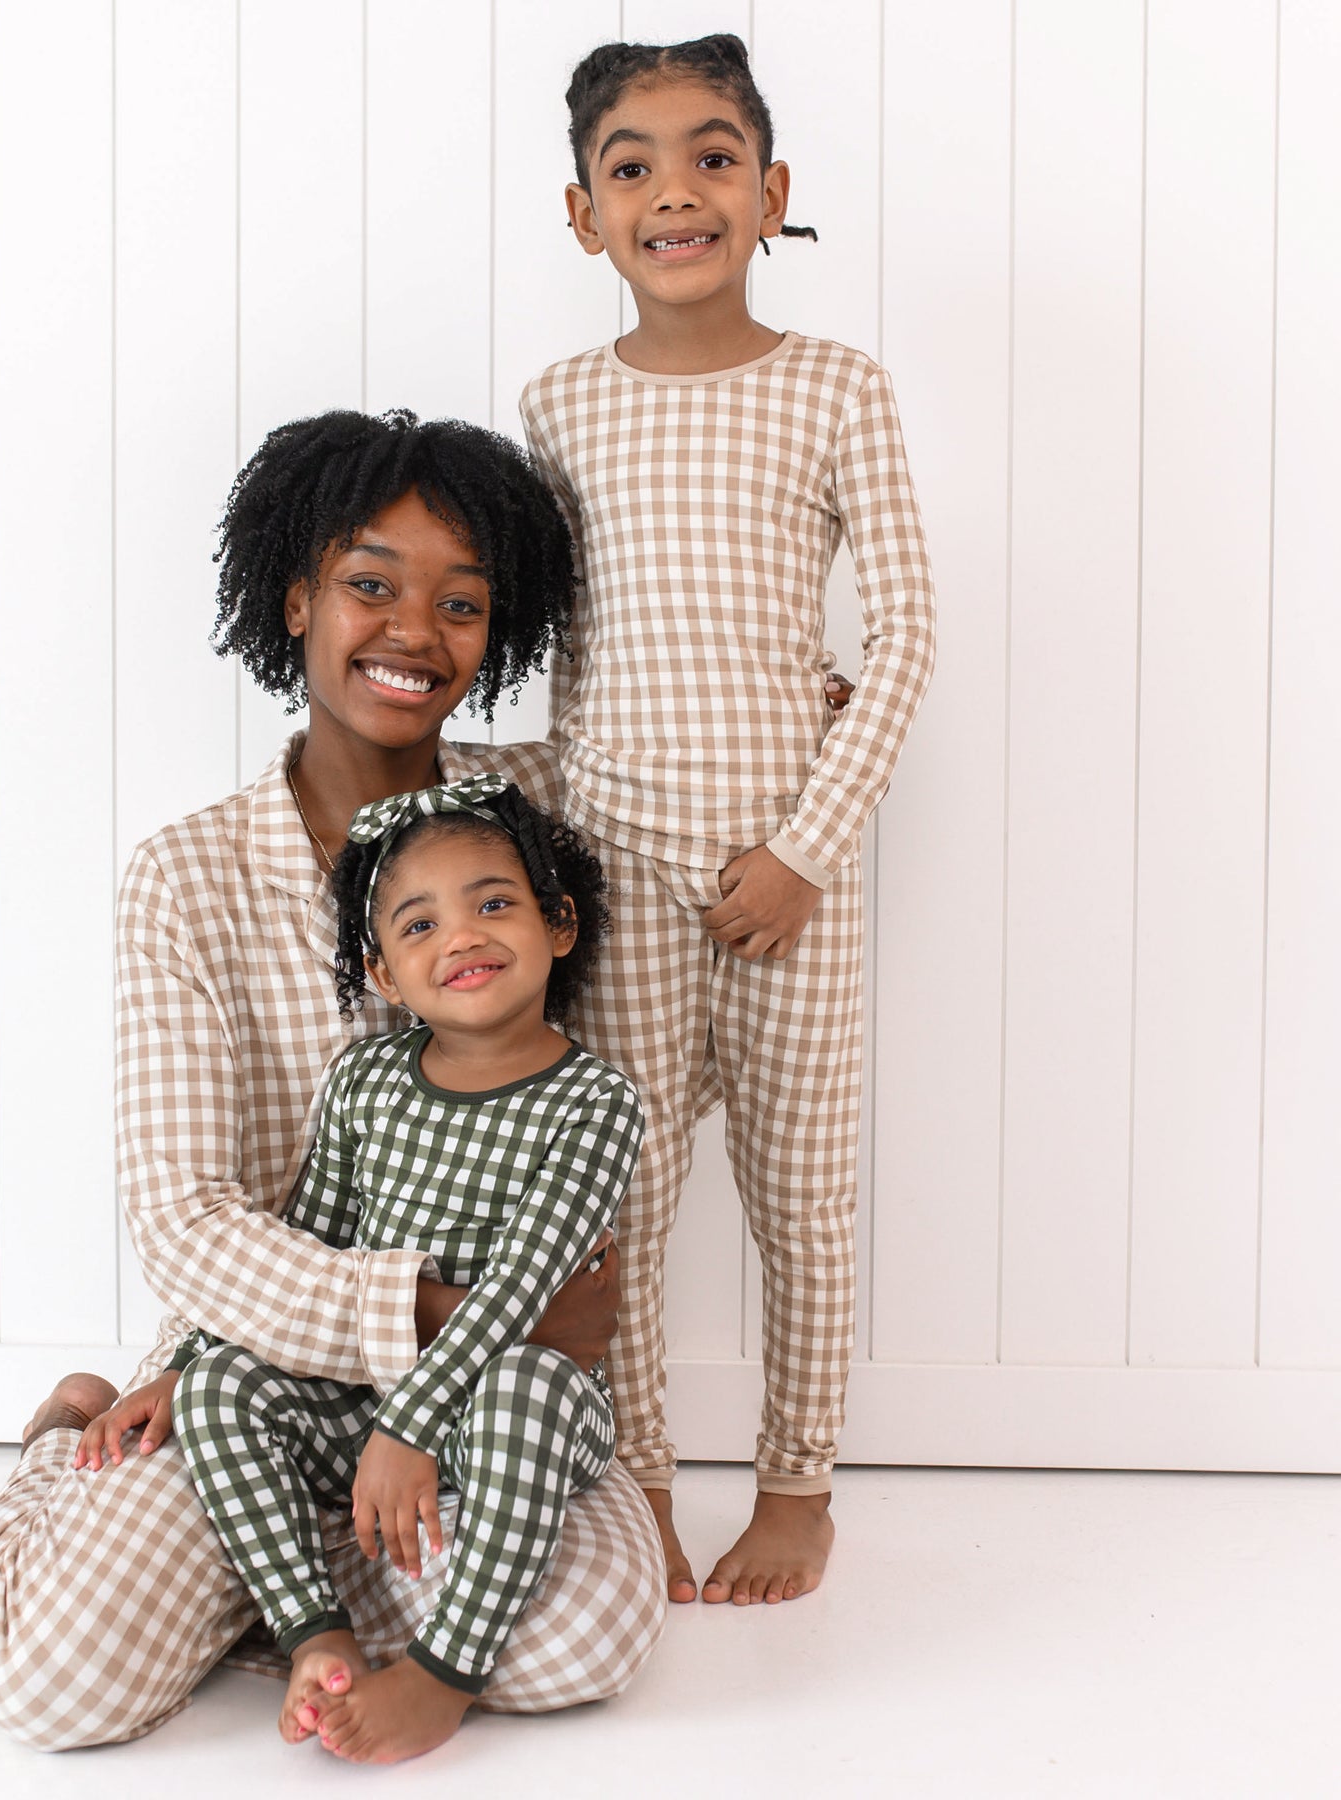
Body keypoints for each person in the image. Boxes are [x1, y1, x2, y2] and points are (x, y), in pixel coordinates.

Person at [0, 409, 665, 1750]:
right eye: (372, 585)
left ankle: (266, 1599)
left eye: (462, 603)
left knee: (585, 1638)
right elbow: (186, 1219)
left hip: (503, 1391)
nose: (414, 632)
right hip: (264, 1367)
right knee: (48, 1678)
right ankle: (76, 1471)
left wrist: (811, 704)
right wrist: (413, 1315)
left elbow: (691, 763)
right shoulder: (185, 877)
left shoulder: (543, 815)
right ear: (299, 598)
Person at [518, 33, 937, 1609]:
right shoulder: (559, 405)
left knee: (799, 1201)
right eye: (631, 167)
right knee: (620, 1204)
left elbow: (904, 636)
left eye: (712, 158)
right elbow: (570, 659)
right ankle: (634, 1479)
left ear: (771, 192)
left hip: (786, 878)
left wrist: (805, 851)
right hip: (617, 875)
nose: (675, 192)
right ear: (586, 216)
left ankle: (797, 1485)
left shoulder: (836, 386)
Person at [140, 777, 641, 1766]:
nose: (462, 936)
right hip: (370, 1401)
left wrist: (410, 1424)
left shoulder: (596, 1103)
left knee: (529, 1385)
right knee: (221, 1386)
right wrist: (185, 1364)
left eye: (493, 903)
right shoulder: (366, 1082)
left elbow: (522, 1290)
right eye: (420, 925)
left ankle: (444, 1671)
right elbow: (311, 1243)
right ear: (382, 973)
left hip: (510, 1410)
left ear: (558, 924)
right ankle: (313, 1632)